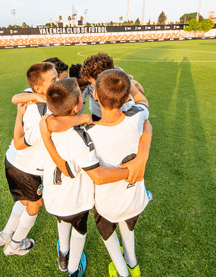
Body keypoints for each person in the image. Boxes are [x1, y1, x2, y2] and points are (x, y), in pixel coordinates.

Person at [37, 77, 132, 277]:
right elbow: (74, 172)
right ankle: (72, 269)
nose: (83, 96)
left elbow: (54, 124)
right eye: (81, 96)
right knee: (79, 231)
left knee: (61, 221)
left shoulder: (47, 120)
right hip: (74, 201)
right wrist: (130, 172)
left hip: (53, 197)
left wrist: (83, 118)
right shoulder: (79, 137)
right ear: (76, 106)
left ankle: (63, 253)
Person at [85, 69, 153, 277]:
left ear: (95, 94)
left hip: (108, 205)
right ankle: (132, 263)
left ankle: (123, 272)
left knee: (107, 232)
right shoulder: (138, 115)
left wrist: (130, 168)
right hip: (135, 199)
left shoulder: (89, 134)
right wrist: (140, 160)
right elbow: (144, 105)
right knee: (128, 224)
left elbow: (97, 175)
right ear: (126, 98)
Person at [0, 62, 58, 256]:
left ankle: (4, 236)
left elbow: (16, 98)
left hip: (13, 160)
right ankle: (15, 244)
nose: (58, 81)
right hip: (28, 168)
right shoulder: (45, 114)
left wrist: (37, 96)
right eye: (54, 79)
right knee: (34, 204)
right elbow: (21, 142)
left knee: (23, 201)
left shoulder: (29, 95)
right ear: (38, 87)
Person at [80, 53, 143, 121]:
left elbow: (137, 85)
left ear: (100, 78)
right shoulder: (121, 78)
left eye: (91, 82)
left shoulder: (122, 81)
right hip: (100, 115)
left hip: (123, 115)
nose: (91, 85)